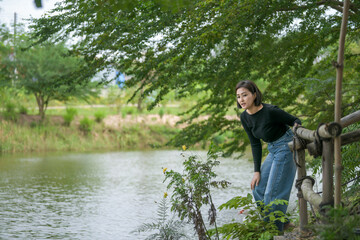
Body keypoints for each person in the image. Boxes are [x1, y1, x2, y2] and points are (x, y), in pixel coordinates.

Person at [235, 80, 301, 232]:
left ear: (254, 94)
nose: (242, 100)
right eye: (238, 97)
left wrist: (298, 128)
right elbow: (255, 144)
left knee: (272, 194)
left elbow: (294, 120)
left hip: (286, 146)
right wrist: (256, 171)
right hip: (273, 149)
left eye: (245, 95)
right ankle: (279, 223)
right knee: (258, 189)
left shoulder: (270, 111)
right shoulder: (244, 117)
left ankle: (275, 232)